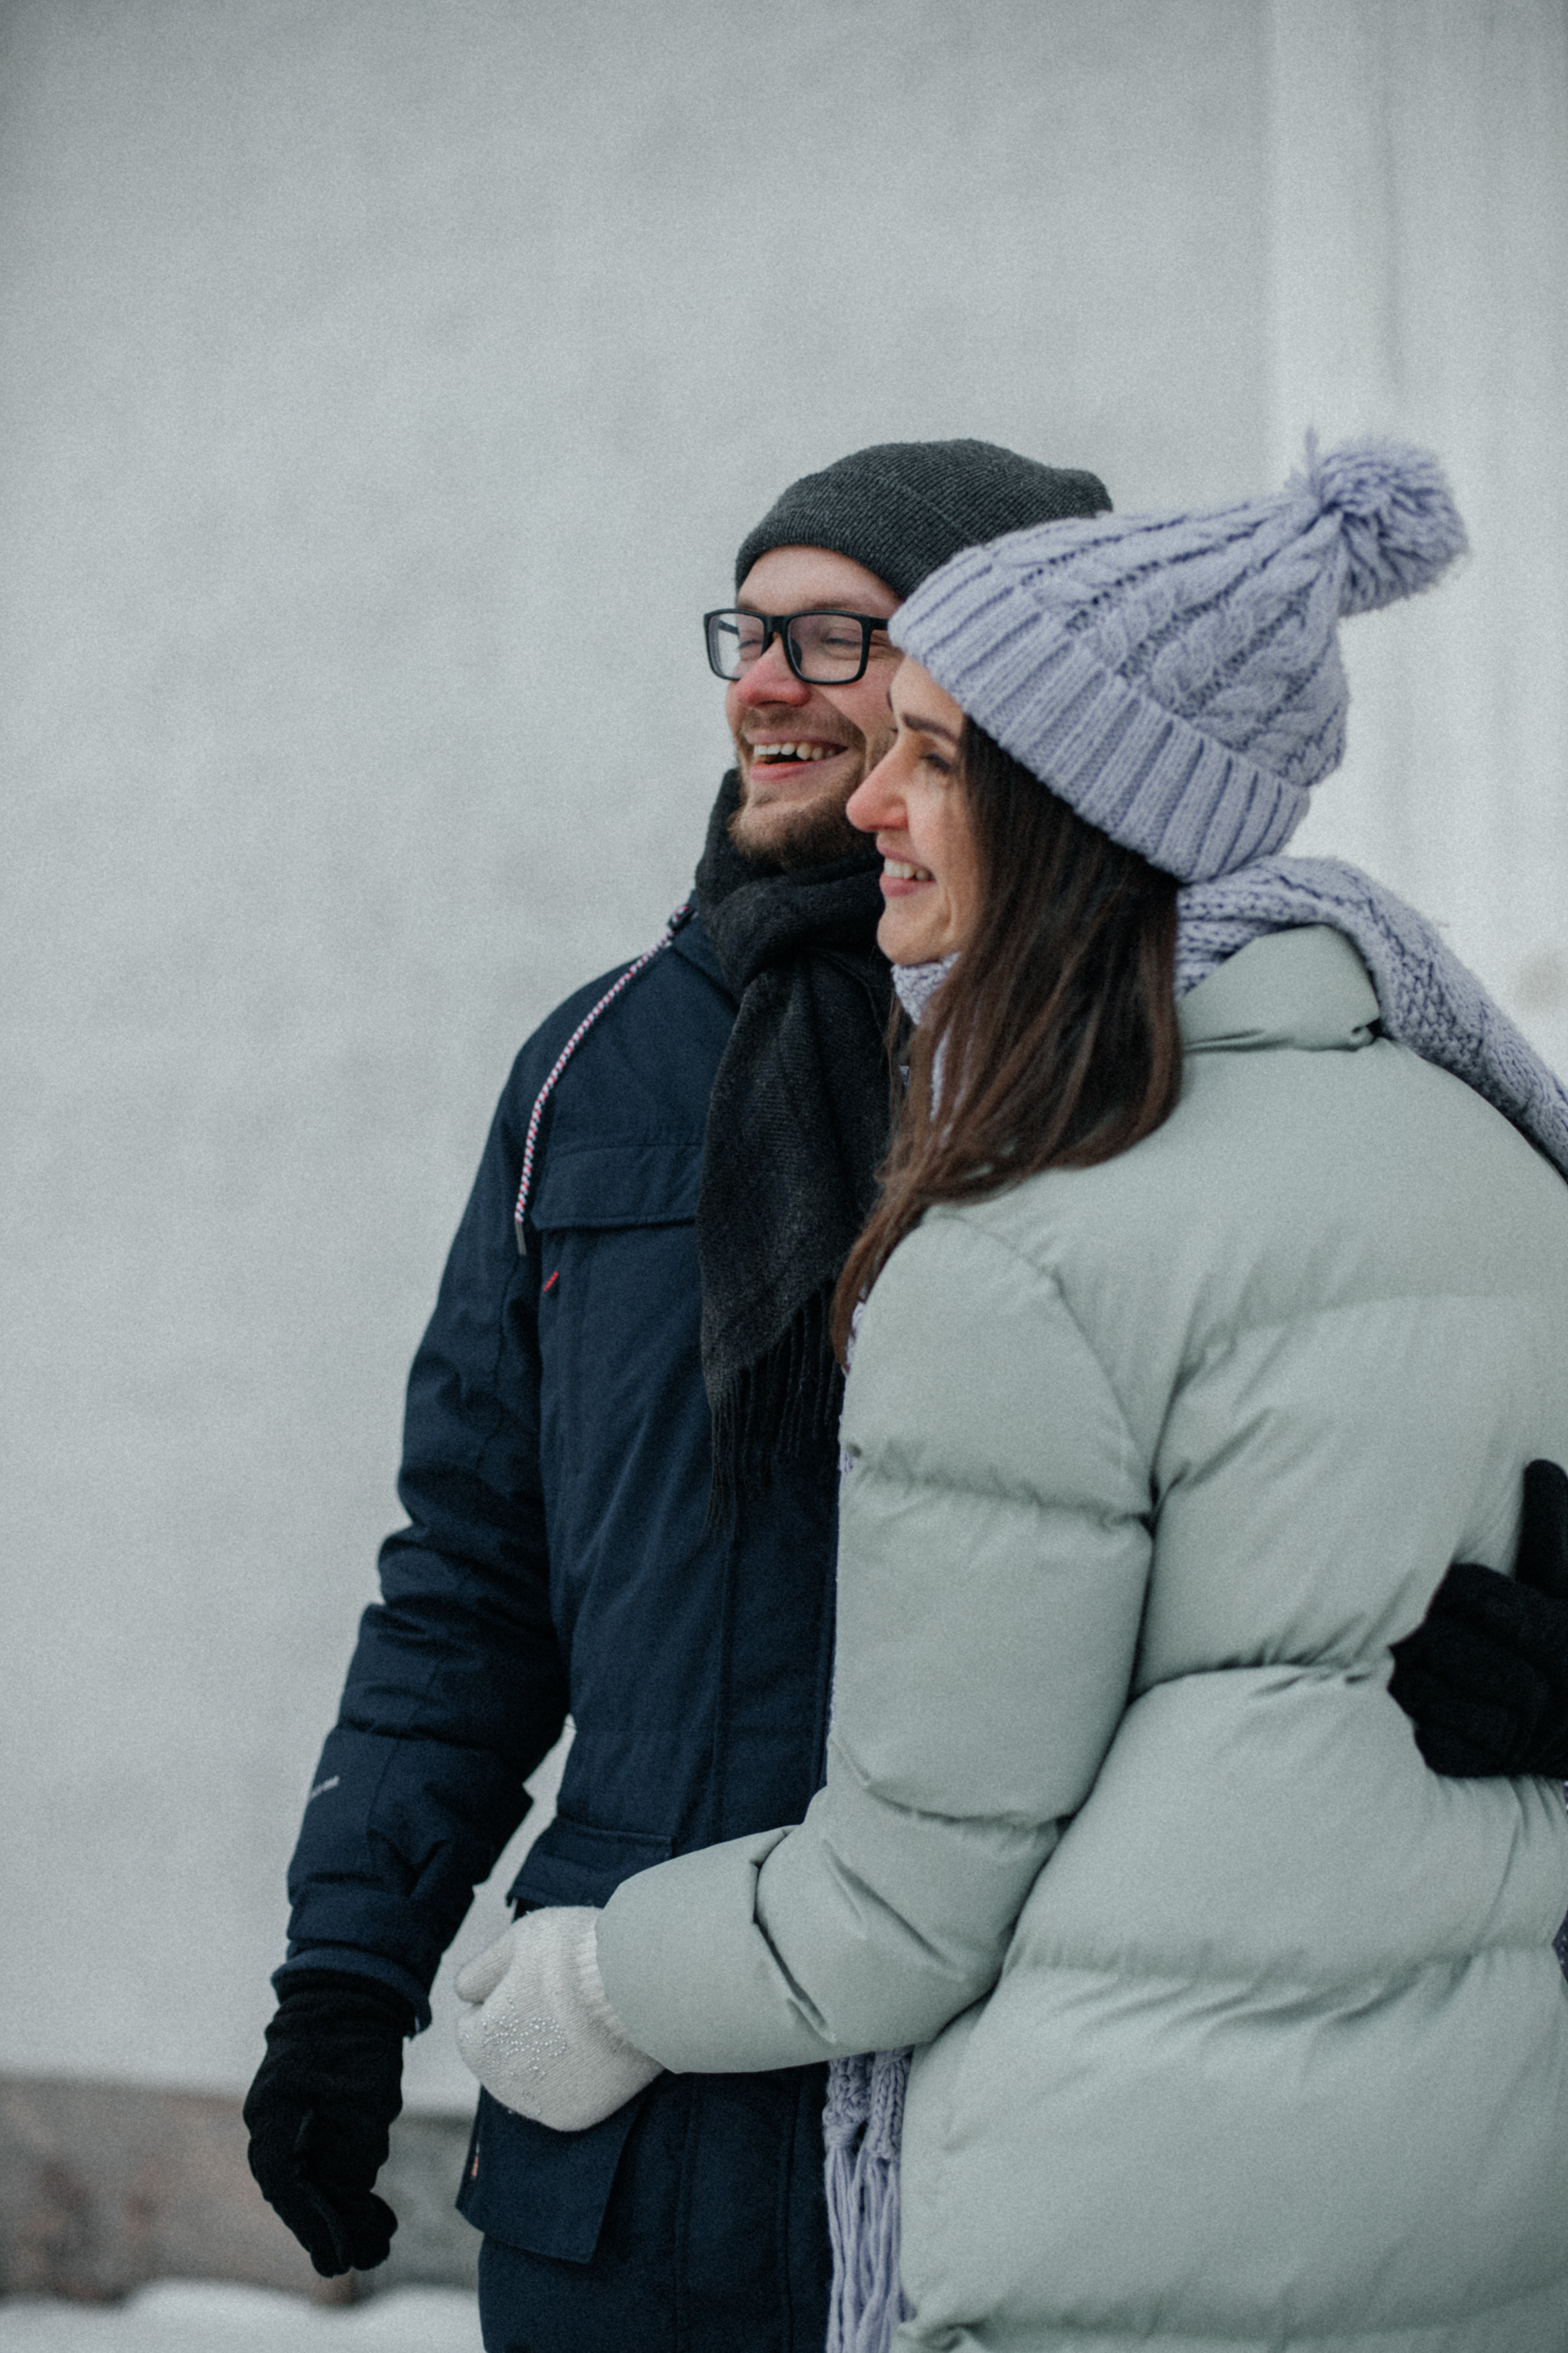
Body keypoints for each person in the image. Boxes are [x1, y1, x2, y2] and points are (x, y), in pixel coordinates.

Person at [245, 439, 1568, 2353]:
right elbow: (470, 1571)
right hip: (629, 2135)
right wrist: (345, 1969)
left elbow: (1361, 1484)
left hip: (1025, 2125)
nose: (769, 688)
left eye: (839, 640)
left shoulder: (1125, 1095)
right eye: (749, 630)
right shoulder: (594, 1076)